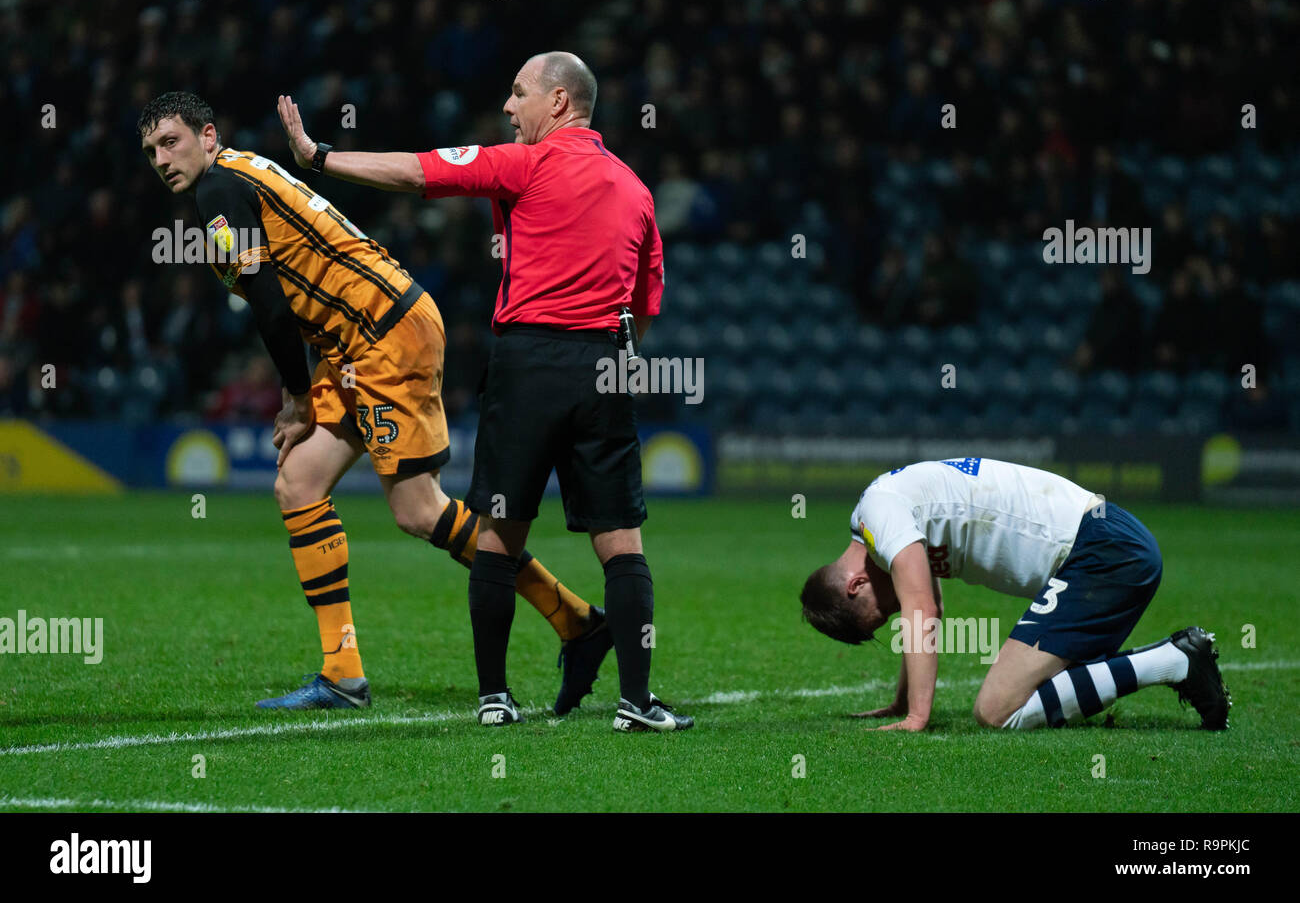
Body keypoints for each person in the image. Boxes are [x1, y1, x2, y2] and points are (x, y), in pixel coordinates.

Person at [138, 91, 610, 712]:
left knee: (417, 511)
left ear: (208, 134)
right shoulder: (240, 174)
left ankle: (576, 620)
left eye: (171, 142)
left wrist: (298, 398)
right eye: (150, 151)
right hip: (356, 339)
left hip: (385, 332)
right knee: (299, 483)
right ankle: (343, 674)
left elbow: (272, 309)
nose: (161, 159)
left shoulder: (218, 192)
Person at [276, 51, 693, 731]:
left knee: (498, 536)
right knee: (622, 542)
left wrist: (318, 156)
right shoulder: (638, 190)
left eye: (518, 93)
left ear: (558, 102)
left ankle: (495, 699)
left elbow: (415, 171)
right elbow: (645, 306)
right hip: (606, 362)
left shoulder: (523, 164)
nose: (507, 106)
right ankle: (637, 702)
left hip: (527, 362)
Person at [799, 457, 1229, 731]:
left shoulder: (880, 512)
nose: (893, 612)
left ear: (856, 585)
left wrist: (917, 717)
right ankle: (1172, 661)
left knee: (996, 711)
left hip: (1101, 550)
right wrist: (901, 702)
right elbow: (932, 605)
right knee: (1027, 695)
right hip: (1102, 548)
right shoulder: (879, 521)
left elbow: (922, 610)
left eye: (881, 613)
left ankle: (1174, 660)